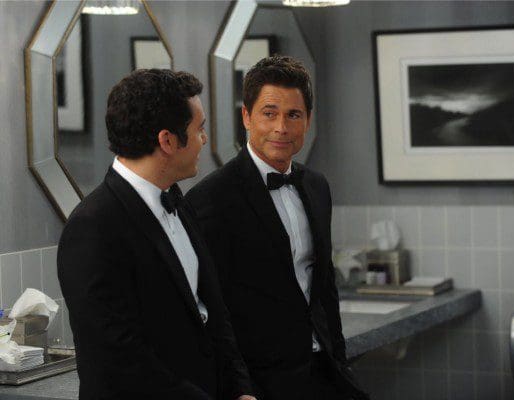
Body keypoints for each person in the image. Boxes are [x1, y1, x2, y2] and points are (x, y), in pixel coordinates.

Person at [57, 69, 256, 400]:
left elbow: (214, 315)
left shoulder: (178, 200)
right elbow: (119, 358)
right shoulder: (93, 227)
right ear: (167, 141)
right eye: (199, 129)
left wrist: (240, 390)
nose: (204, 139)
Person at [184, 56, 369, 400]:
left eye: (293, 115)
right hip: (260, 383)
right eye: (269, 113)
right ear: (246, 117)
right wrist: (239, 388)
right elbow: (211, 311)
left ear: (308, 120)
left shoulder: (317, 186)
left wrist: (340, 362)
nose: (281, 127)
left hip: (324, 372)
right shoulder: (210, 199)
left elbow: (324, 286)